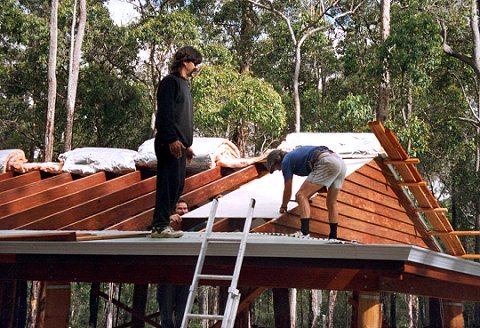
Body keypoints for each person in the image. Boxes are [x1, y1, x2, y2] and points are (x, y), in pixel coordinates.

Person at [151, 46, 203, 238]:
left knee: (177, 184)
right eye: (195, 63)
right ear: (184, 61)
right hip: (169, 143)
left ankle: (162, 224)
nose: (196, 67)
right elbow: (165, 114)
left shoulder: (184, 85)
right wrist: (171, 139)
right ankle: (159, 225)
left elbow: (181, 118)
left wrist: (187, 146)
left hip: (180, 145)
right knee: (167, 183)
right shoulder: (170, 82)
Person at [266, 146, 347, 239]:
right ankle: (333, 236)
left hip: (327, 162)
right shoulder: (295, 154)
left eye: (275, 167)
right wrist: (308, 196)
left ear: (278, 159)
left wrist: (284, 206)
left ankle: (304, 233)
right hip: (340, 162)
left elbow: (288, 188)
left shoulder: (285, 161)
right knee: (331, 203)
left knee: (300, 195)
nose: (278, 169)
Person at [157, 199, 191, 328]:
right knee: (166, 317)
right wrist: (167, 221)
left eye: (185, 208)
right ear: (173, 211)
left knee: (183, 317)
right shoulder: (164, 226)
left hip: (186, 276)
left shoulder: (194, 226)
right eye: (180, 209)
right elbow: (148, 229)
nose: (183, 211)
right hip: (167, 276)